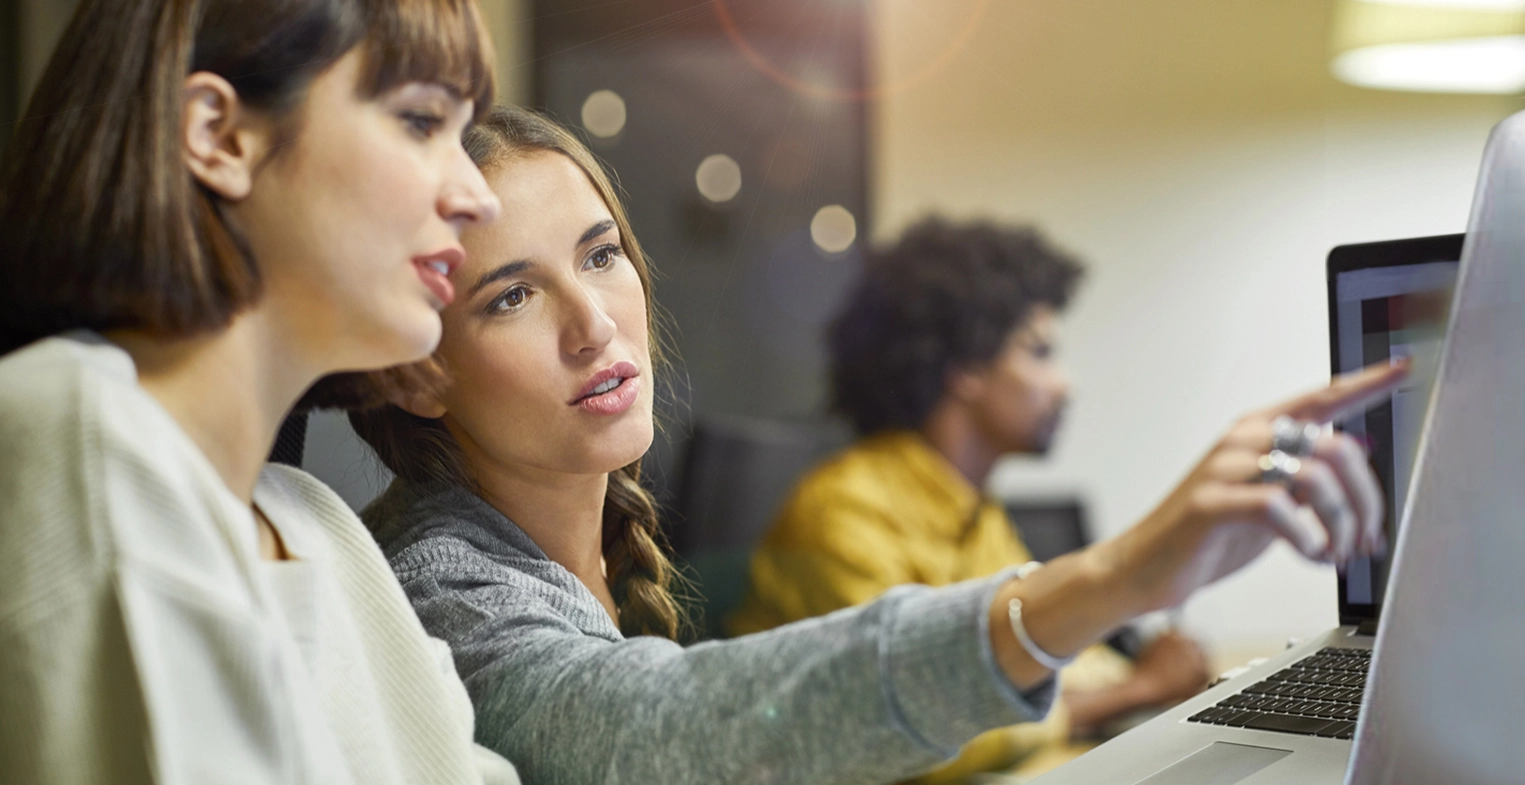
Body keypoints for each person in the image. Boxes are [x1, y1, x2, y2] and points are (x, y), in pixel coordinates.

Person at [348, 105, 1402, 785]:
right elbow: (658, 728)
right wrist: (1120, 573)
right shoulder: (437, 584)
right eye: (513, 294)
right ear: (417, 363)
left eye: (603, 253)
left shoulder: (561, 549)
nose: (595, 322)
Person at [0, 1, 518, 783]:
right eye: (419, 120)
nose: (478, 196)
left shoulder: (320, 527)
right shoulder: (76, 429)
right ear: (218, 133)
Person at [728, 218, 1210, 781]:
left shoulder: (976, 513)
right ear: (966, 369)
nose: (1064, 384)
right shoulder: (841, 512)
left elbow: (1045, 656)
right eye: (1039, 352)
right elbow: (912, 723)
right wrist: (1140, 687)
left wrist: (1156, 670)